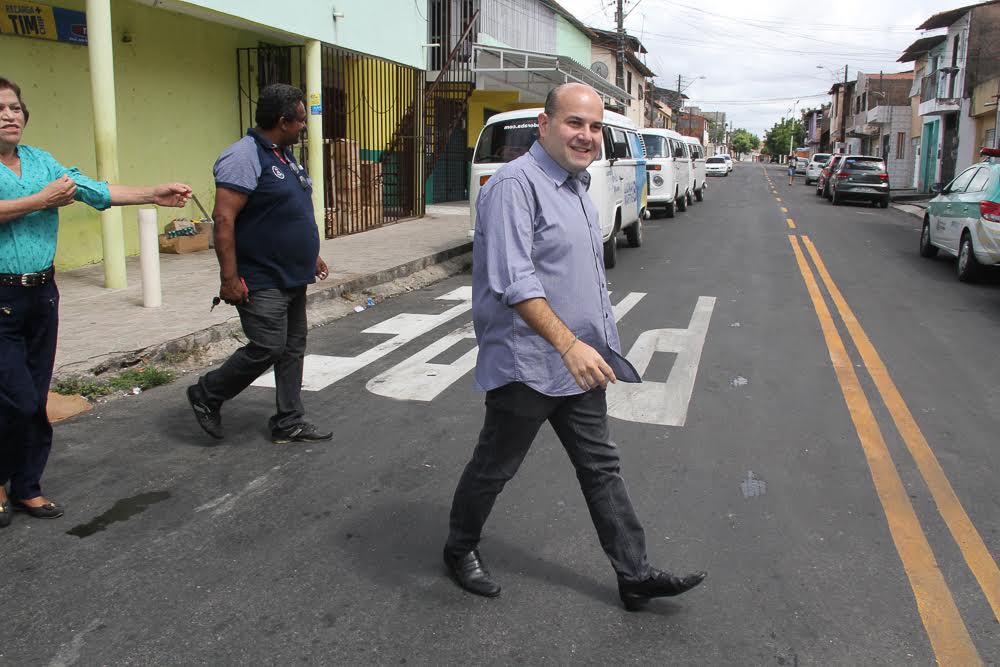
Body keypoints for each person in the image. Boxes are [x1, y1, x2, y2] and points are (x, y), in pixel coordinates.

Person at [442, 83, 706, 611]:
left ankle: (633, 575)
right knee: (496, 466)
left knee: (600, 468)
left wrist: (597, 344)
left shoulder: (578, 187)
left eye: (594, 127)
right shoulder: (514, 186)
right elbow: (514, 282)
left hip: (581, 361)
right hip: (529, 364)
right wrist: (568, 345)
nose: (586, 135)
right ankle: (459, 547)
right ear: (545, 125)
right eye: (574, 123)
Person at [0, 77, 191, 526]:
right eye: (0, 108)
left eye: (14, 106)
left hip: (41, 295)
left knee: (36, 395)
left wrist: (151, 194)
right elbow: (38, 202)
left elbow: (91, 189)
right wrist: (39, 201)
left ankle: (27, 486)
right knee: (16, 399)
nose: (10, 115)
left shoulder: (40, 161)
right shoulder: (38, 184)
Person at [186, 83, 331, 445]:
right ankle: (208, 393)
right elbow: (224, 220)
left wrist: (308, 253)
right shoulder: (244, 155)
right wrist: (229, 278)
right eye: (300, 121)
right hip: (260, 276)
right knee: (268, 346)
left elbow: (286, 211)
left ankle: (288, 420)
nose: (303, 127)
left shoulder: (284, 154)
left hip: (292, 273)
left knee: (293, 347)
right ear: (282, 121)